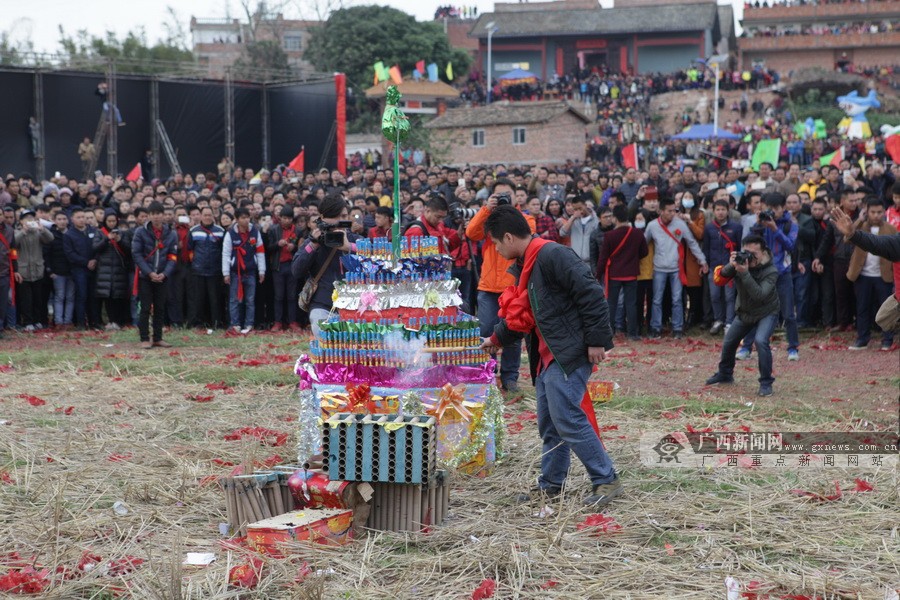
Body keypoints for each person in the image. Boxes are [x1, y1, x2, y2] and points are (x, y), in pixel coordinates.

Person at [479, 205, 620, 507]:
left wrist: (597, 341)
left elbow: (592, 294)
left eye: (495, 243)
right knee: (550, 423)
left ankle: (605, 479)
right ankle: (551, 485)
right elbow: (523, 316)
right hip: (546, 355)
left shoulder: (553, 254)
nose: (496, 249)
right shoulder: (525, 264)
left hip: (567, 352)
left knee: (567, 418)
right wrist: (496, 338)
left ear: (507, 237)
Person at [466, 179, 536, 392]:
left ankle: (510, 378)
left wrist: (506, 214)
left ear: (516, 196)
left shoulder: (526, 219)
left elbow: (527, 234)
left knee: (513, 332)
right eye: (498, 195)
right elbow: (471, 233)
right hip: (488, 287)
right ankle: (486, 373)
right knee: (486, 330)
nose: (504, 198)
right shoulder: (488, 218)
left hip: (513, 286)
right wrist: (487, 209)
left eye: (507, 195)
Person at [706, 235, 781, 397]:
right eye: (746, 252)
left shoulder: (771, 271)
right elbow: (722, 278)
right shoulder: (741, 263)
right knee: (729, 340)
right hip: (745, 311)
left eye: (754, 253)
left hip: (766, 311)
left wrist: (745, 273)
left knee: (761, 341)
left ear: (763, 252)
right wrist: (732, 263)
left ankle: (766, 382)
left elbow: (759, 295)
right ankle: (725, 374)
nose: (750, 257)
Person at [737, 193, 800, 362]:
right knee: (753, 311)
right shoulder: (761, 225)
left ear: (783, 208)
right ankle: (746, 347)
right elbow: (749, 243)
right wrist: (758, 225)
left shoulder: (790, 225)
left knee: (788, 314)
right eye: (769, 209)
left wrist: (774, 229)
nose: (772, 213)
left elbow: (791, 246)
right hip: (762, 274)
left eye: (775, 209)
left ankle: (793, 348)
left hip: (782, 274)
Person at [292, 195, 360, 338]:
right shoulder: (315, 241)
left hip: (353, 305)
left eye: (344, 215)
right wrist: (313, 245)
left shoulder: (355, 239)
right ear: (323, 218)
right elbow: (296, 270)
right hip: (322, 304)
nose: (340, 221)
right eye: (335, 217)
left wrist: (349, 247)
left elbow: (375, 259)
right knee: (326, 345)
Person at [643, 197, 708, 339]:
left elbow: (692, 243)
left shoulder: (680, 224)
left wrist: (702, 260)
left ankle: (677, 328)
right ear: (661, 211)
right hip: (659, 267)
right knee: (656, 299)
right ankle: (655, 328)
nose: (673, 213)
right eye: (669, 211)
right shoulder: (652, 226)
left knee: (677, 299)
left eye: (674, 210)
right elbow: (643, 244)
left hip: (676, 268)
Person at [843, 198, 896, 350]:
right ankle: (862, 339)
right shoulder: (860, 227)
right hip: (862, 274)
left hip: (883, 275)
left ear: (884, 212)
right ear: (867, 211)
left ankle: (887, 340)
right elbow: (846, 238)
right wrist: (859, 220)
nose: (876, 215)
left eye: (879, 212)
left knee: (887, 310)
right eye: (873, 212)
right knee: (862, 308)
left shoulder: (891, 229)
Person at [596, 204, 648, 341]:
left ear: (615, 218)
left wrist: (597, 275)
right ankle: (632, 333)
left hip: (614, 274)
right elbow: (645, 252)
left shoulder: (609, 236)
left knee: (611, 303)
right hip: (631, 273)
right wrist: (633, 258)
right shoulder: (637, 233)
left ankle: (609, 332)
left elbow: (603, 258)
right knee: (631, 303)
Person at [132, 202, 177, 348]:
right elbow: (136, 254)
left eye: (159, 213)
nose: (156, 217)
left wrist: (165, 273)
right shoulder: (140, 232)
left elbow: (173, 256)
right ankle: (144, 338)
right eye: (153, 214)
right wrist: (149, 272)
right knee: (145, 307)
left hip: (162, 277)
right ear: (149, 216)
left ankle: (158, 337)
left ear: (163, 215)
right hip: (146, 276)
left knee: (160, 307)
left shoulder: (170, 233)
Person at [222, 207, 266, 334]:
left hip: (251, 271)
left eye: (247, 217)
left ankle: (249, 325)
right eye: (242, 218)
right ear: (236, 219)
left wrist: (261, 270)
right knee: (234, 300)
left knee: (250, 300)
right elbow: (225, 254)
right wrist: (225, 273)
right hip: (235, 272)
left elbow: (260, 252)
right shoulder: (230, 234)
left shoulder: (255, 232)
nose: (246, 220)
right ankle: (235, 324)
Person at [703, 199, 742, 334]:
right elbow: (706, 248)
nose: (720, 212)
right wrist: (705, 263)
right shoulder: (709, 228)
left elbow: (740, 247)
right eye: (718, 210)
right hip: (714, 267)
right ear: (713, 211)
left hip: (730, 267)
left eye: (723, 210)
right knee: (714, 295)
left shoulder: (736, 227)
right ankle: (718, 319)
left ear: (728, 211)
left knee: (729, 297)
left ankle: (729, 322)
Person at [13, 209, 52, 331]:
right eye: (27, 219)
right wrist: (23, 231)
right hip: (23, 272)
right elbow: (13, 243)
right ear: (21, 221)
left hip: (38, 270)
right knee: (26, 300)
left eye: (32, 219)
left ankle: (37, 320)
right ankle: (27, 322)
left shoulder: (38, 233)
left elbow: (50, 239)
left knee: (38, 298)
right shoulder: (17, 232)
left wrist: (42, 229)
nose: (30, 221)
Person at [187, 206, 225, 329]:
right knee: (198, 299)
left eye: (210, 215)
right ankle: (198, 323)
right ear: (201, 216)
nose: (207, 217)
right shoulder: (194, 231)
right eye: (205, 215)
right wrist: (195, 263)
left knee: (215, 299)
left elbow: (223, 249)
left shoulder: (220, 231)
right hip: (198, 271)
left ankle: (216, 323)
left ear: (213, 216)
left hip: (215, 271)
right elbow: (190, 249)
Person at [93, 210, 131, 328]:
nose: (111, 223)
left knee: (118, 297)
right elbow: (95, 248)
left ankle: (119, 321)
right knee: (107, 297)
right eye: (109, 221)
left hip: (120, 270)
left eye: (114, 221)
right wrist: (106, 239)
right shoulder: (100, 233)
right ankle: (110, 321)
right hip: (104, 270)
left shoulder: (123, 234)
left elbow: (129, 250)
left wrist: (119, 240)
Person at [267, 206, 302, 332]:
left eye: (289, 218)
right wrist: (277, 244)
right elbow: (268, 248)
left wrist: (295, 247)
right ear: (279, 218)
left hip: (292, 266)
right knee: (279, 296)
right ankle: (278, 322)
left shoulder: (298, 231)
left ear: (292, 219)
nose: (286, 221)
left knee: (292, 295)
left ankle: (292, 321)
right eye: (284, 218)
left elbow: (302, 248)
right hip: (278, 266)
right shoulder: (273, 230)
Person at [63, 207, 98, 330]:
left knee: (93, 296)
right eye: (78, 217)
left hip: (93, 268)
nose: (82, 220)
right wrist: (85, 262)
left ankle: (94, 322)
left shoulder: (93, 230)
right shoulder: (69, 235)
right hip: (79, 269)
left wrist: (94, 260)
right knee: (81, 295)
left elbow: (99, 247)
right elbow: (70, 254)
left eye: (83, 217)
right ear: (72, 219)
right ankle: (81, 323)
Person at [47, 212, 75, 330]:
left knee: (70, 297)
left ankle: (68, 321)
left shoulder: (72, 234)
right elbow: (47, 254)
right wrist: (50, 271)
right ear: (55, 221)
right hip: (57, 272)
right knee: (59, 296)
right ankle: (58, 321)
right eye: (59, 219)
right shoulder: (51, 235)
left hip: (72, 271)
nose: (62, 221)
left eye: (64, 219)